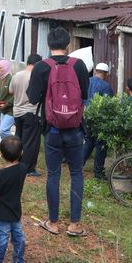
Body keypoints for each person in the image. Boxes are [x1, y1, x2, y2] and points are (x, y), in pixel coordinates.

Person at [27, 27, 90, 237]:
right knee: (76, 174)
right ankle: (75, 225)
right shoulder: (79, 65)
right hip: (75, 129)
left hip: (52, 129)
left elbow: (33, 98)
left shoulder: (41, 67)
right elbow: (84, 94)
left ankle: (53, 223)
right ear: (68, 44)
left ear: (49, 45)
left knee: (53, 174)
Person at [0, 136, 27, 263]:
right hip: (15, 213)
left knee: (1, 242)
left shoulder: (1, 173)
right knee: (20, 240)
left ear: (1, 154)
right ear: (21, 153)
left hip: (1, 214)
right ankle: (19, 262)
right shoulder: (23, 169)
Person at [10, 53, 43, 177]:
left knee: (18, 139)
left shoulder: (17, 75)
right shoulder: (35, 77)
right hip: (31, 113)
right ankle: (28, 169)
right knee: (30, 142)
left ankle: (15, 162)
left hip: (17, 112)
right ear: (38, 64)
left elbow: (10, 91)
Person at [82, 62, 114, 180]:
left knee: (89, 141)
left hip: (85, 116)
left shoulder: (85, 82)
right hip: (99, 119)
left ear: (96, 71)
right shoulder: (106, 87)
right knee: (101, 145)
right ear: (106, 73)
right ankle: (98, 172)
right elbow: (109, 106)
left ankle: (78, 165)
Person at [0, 59, 16, 140]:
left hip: (10, 109)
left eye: (1, 68)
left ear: (6, 68)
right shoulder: (0, 79)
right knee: (2, 131)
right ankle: (7, 149)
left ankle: (16, 143)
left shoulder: (11, 79)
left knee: (3, 130)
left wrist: (6, 104)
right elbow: (1, 94)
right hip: (2, 108)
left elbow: (15, 96)